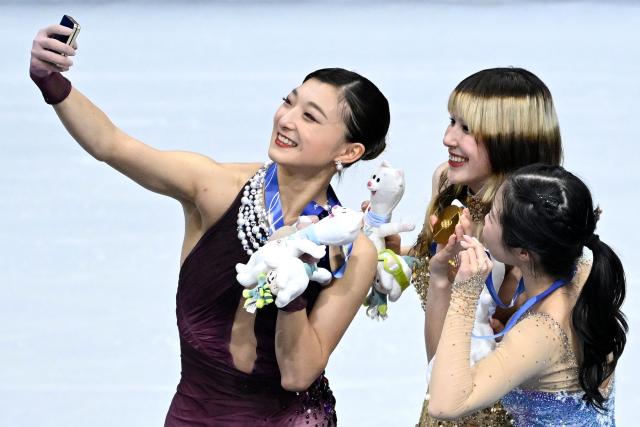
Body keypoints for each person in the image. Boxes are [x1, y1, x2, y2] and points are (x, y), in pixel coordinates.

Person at [29, 22, 388, 426]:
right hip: (194, 414)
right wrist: (50, 81)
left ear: (349, 150)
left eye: (310, 117)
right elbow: (112, 144)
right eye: (288, 102)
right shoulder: (215, 189)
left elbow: (298, 374)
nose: (286, 120)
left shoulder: (353, 251)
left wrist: (292, 292)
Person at [410, 67, 563, 426]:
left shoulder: (531, 228)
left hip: (493, 414)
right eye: (452, 121)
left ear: (511, 139)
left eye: (468, 129)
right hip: (440, 401)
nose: (448, 138)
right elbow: (439, 354)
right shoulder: (449, 186)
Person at [427, 163, 627, 426]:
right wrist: (441, 277)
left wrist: (465, 294)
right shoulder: (583, 271)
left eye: (495, 215)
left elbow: (444, 404)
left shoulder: (541, 332)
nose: (485, 215)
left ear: (524, 252)